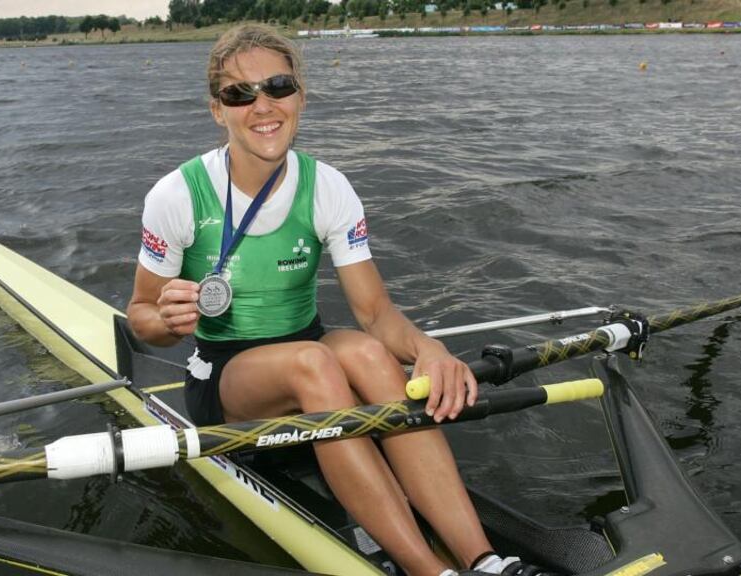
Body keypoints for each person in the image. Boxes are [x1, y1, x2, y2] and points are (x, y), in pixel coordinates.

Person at [127, 24, 557, 576]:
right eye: (240, 93)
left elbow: (375, 314)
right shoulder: (178, 195)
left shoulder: (328, 186)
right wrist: (166, 320)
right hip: (225, 376)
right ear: (218, 110)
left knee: (370, 355)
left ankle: (487, 560)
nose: (263, 105)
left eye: (278, 86)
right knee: (317, 362)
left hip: (310, 352)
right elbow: (141, 317)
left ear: (300, 96)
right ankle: (430, 571)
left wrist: (428, 350)